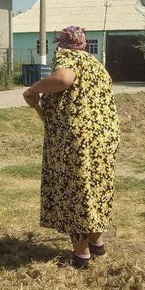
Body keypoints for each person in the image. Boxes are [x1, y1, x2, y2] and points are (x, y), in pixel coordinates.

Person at [23, 26, 120, 269]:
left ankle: (81, 256)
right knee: (94, 189)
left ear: (62, 45)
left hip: (76, 140)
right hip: (103, 139)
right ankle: (97, 244)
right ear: (85, 44)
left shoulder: (69, 58)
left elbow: (63, 79)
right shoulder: (96, 65)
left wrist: (34, 89)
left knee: (74, 192)